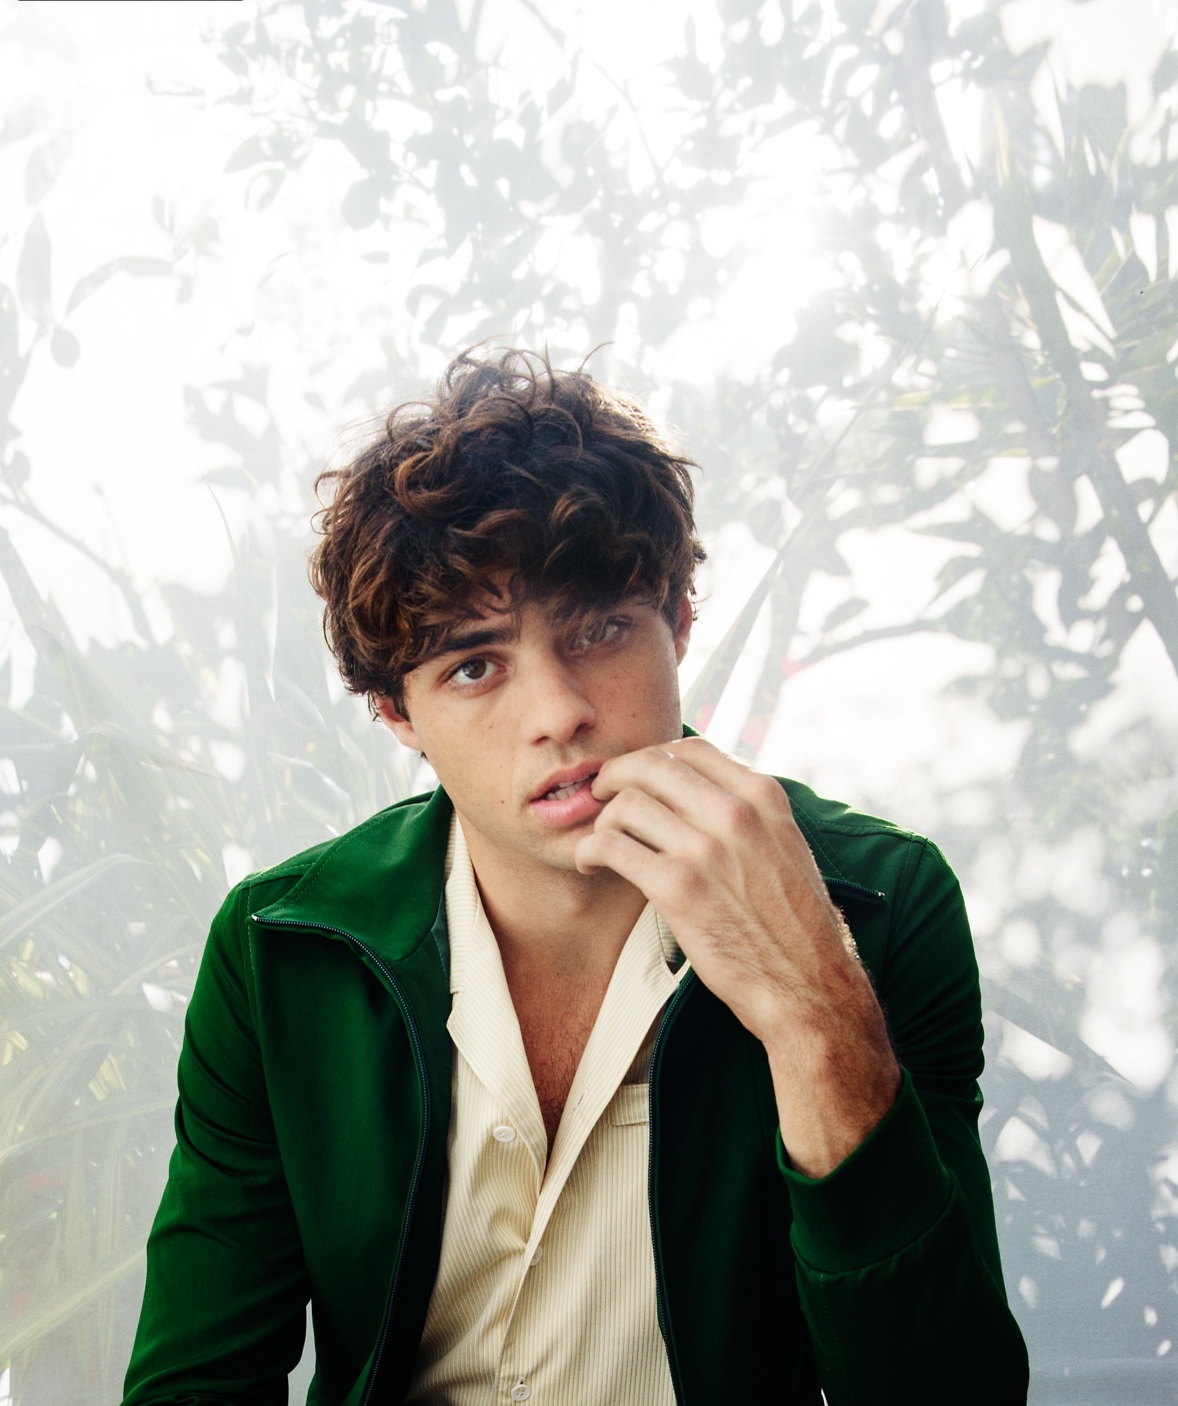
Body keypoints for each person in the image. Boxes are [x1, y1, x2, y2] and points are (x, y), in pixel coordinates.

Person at [121, 348, 1029, 1405]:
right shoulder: (279, 946)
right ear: (397, 714)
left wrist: (814, 1012)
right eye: (475, 666)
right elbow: (197, 1383)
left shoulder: (882, 904)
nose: (557, 713)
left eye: (599, 629)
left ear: (677, 623)